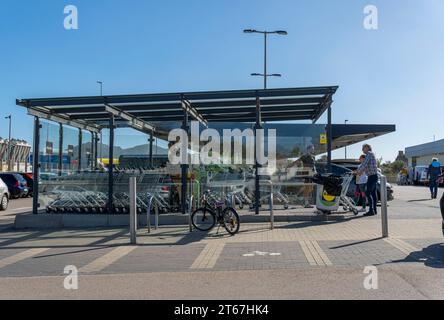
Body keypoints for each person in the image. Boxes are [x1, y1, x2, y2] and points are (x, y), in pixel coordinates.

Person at [355, 144, 379, 216]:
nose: (362, 150)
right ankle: (374, 210)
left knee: (367, 193)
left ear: (367, 148)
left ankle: (371, 211)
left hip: (372, 177)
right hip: (373, 176)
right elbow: (366, 167)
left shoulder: (369, 154)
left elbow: (364, 164)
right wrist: (359, 171)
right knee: (373, 194)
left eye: (363, 148)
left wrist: (358, 171)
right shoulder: (371, 155)